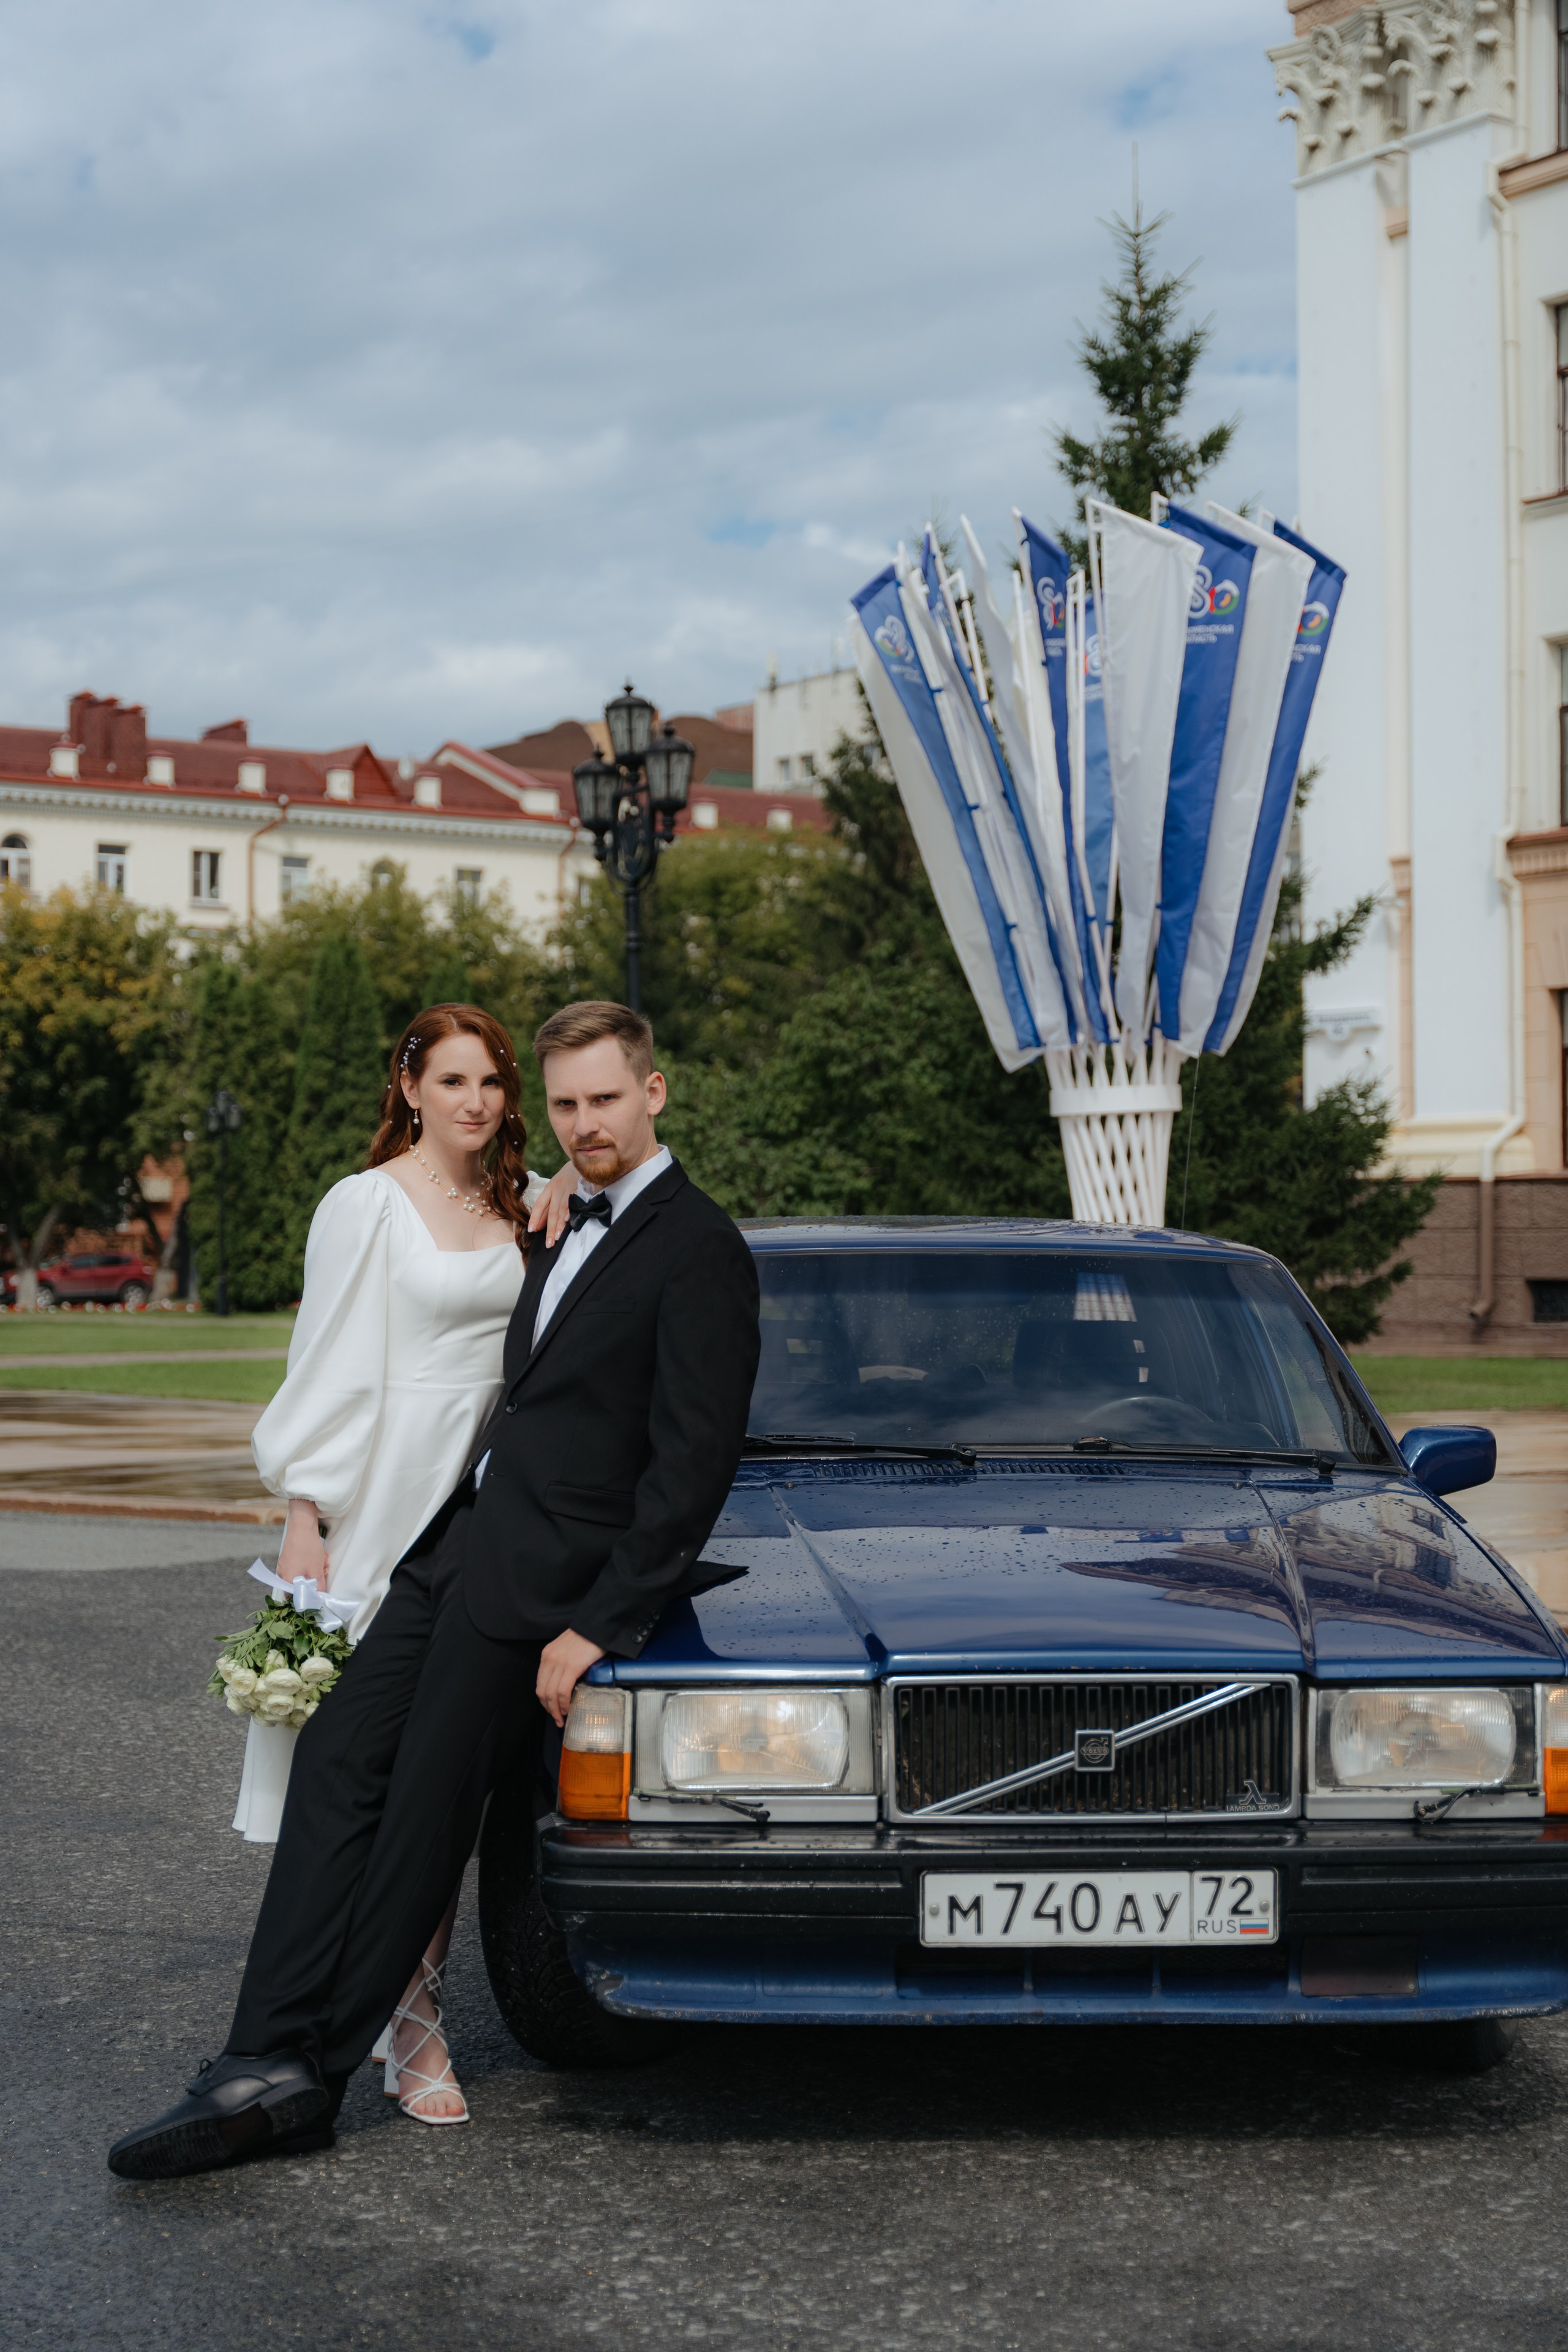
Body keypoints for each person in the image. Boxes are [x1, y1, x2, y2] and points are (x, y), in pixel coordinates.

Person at [109, 999, 761, 2179]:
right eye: (564, 1104)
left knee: (421, 1822)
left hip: (543, 1583)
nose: (585, 1122)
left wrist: (596, 1626)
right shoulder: (553, 1215)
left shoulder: (700, 1246)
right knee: (335, 1767)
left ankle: (300, 2082)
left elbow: (691, 1469)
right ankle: (253, 2049)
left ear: (655, 1093)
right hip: (449, 1539)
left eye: (606, 1100)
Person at [233, 1001, 577, 2122]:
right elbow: (326, 1362)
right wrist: (308, 1514)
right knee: (356, 1778)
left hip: (484, 1515)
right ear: (411, 1087)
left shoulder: (527, 1205)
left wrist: (566, 1199)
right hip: (384, 1501)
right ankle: (302, 2021)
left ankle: (415, 2015)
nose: (476, 1100)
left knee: (443, 1785)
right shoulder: (366, 1203)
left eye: (492, 1081)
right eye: (454, 1080)